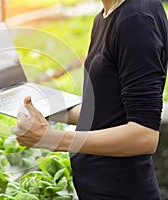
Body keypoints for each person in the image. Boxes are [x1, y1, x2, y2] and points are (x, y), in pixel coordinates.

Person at [13, 0, 168, 199]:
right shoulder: (105, 16)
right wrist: (42, 108)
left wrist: (52, 139)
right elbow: (106, 111)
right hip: (95, 188)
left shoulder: (137, 22)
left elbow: (144, 135)